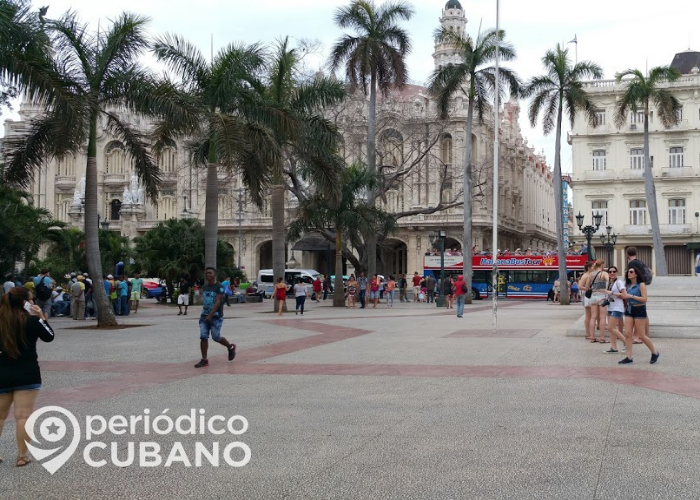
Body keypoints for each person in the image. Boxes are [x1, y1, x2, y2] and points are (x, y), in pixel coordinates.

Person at [0, 286, 55, 467]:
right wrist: (40, 317)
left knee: (0, 416)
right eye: (31, 300)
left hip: (2, 372)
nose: (33, 302)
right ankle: (22, 456)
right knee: (23, 416)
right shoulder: (32, 321)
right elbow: (49, 337)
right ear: (25, 302)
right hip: (28, 373)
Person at [194, 267, 236, 368]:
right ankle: (204, 360)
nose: (208, 275)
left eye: (210, 273)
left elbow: (218, 302)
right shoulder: (205, 287)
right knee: (203, 337)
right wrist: (206, 315)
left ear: (215, 274)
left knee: (216, 337)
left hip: (216, 316)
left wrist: (211, 315)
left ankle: (230, 347)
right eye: (206, 273)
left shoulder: (219, 287)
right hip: (204, 316)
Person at [618, 263, 659, 365]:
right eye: (628, 272)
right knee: (627, 334)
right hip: (629, 309)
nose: (629, 273)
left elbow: (644, 299)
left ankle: (654, 352)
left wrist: (630, 296)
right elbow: (624, 295)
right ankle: (629, 357)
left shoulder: (641, 285)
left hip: (639, 309)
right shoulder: (627, 285)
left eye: (631, 272)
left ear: (636, 274)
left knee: (641, 334)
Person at [626, 247, 650, 344]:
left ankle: (638, 336)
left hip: (636, 287)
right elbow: (650, 271)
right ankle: (645, 335)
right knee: (644, 314)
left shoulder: (631, 264)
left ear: (627, 254)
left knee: (638, 315)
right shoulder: (640, 262)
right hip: (642, 285)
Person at [602, 267, 626, 354]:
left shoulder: (619, 282)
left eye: (614, 271)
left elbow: (624, 295)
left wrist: (611, 293)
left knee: (610, 327)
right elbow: (610, 296)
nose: (612, 273)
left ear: (617, 272)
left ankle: (626, 342)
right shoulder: (609, 283)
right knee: (611, 329)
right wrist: (603, 299)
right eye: (610, 271)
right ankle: (613, 347)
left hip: (618, 307)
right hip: (611, 307)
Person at [588, 260, 609, 343]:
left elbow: (587, 286)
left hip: (593, 295)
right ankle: (602, 337)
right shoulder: (603, 273)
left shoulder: (591, 274)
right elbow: (609, 280)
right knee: (602, 317)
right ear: (602, 265)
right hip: (602, 295)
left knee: (593, 317)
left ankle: (592, 336)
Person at [578, 262, 594, 340]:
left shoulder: (590, 275)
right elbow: (580, 286)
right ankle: (588, 332)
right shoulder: (585, 276)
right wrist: (589, 289)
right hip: (588, 295)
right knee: (588, 315)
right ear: (589, 268)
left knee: (591, 315)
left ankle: (589, 332)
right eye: (593, 267)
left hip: (590, 295)